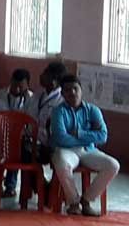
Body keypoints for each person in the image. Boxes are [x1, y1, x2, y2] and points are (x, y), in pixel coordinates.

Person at [49, 75, 120, 216]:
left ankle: (86, 200)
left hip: (89, 151)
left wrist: (79, 133)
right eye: (67, 90)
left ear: (81, 90)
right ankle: (73, 202)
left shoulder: (93, 110)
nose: (72, 93)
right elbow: (61, 138)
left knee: (113, 165)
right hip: (67, 151)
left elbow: (103, 136)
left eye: (75, 89)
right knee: (61, 163)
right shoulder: (58, 112)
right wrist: (88, 137)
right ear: (62, 93)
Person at [0, 68, 36, 198]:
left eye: (21, 87)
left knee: (19, 147)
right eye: (15, 86)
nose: (17, 90)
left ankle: (12, 186)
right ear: (11, 82)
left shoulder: (32, 99)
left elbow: (34, 123)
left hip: (21, 139)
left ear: (27, 85)